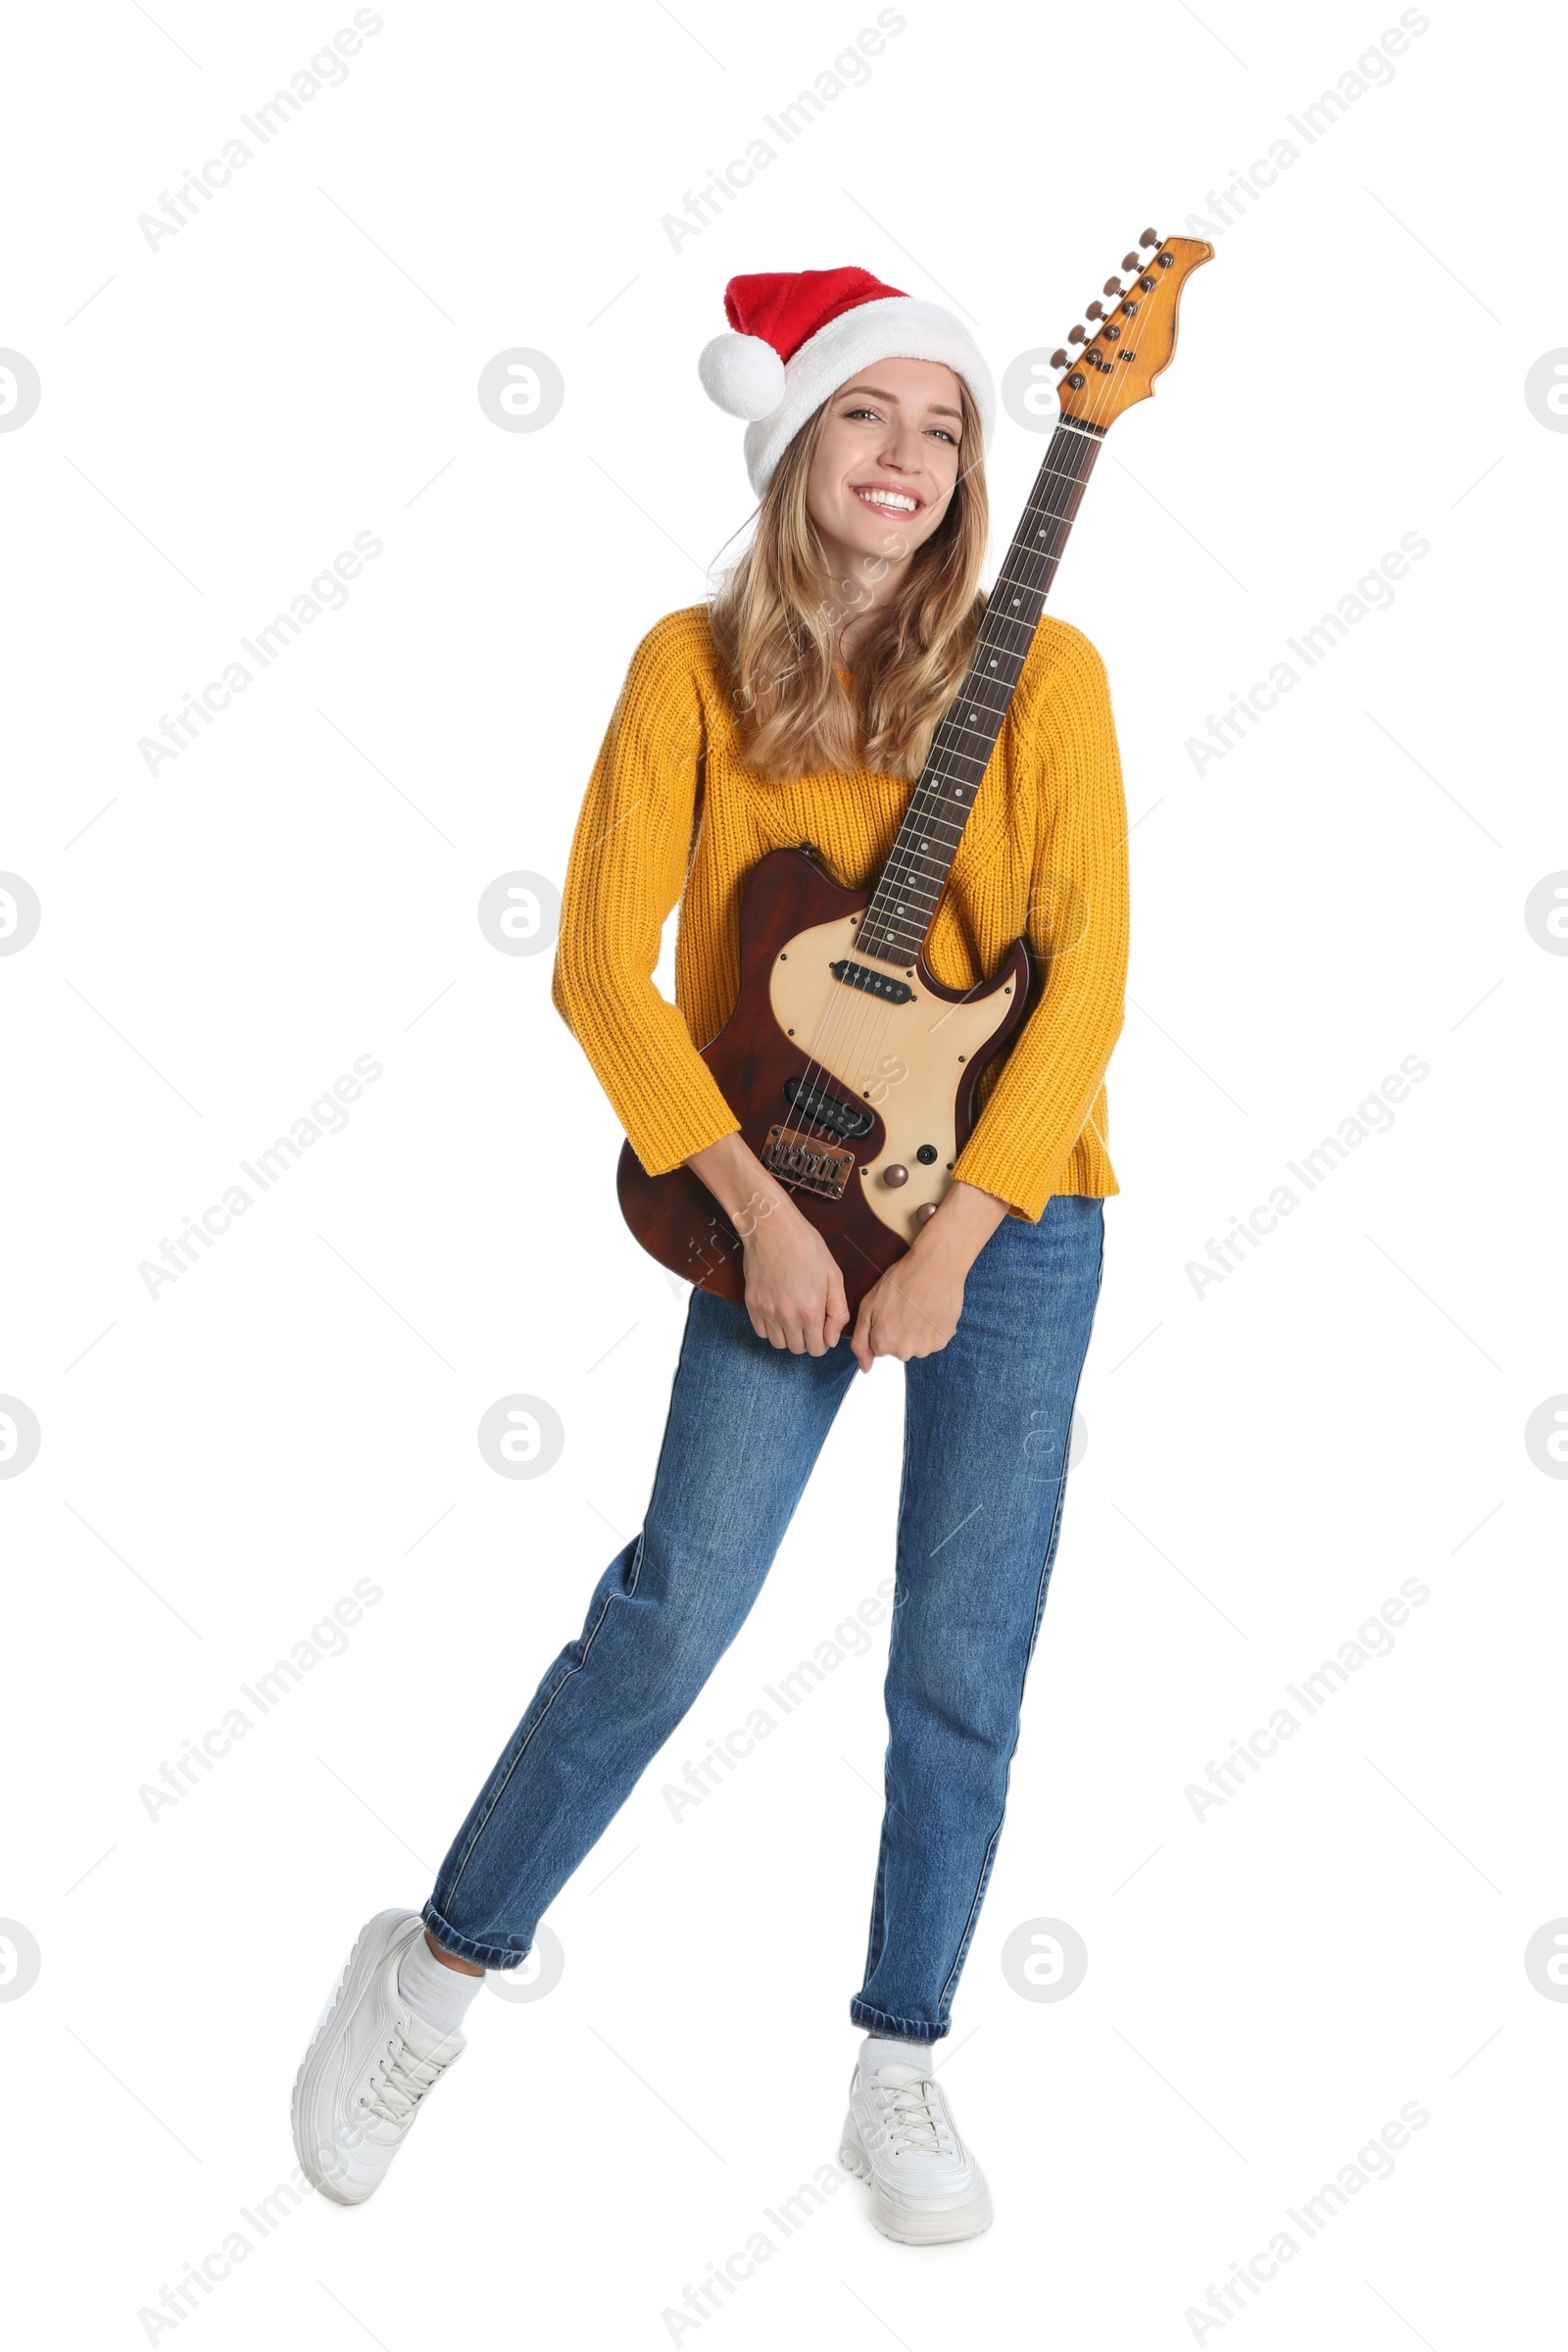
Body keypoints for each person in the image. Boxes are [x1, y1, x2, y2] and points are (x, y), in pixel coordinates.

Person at [292, 266, 1129, 2246]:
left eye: (942, 428)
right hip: (779, 1193)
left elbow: (1080, 976)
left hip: (1010, 1211)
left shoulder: (1046, 674)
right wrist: (758, 1216)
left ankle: (899, 2056)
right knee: (675, 1610)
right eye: (868, 417)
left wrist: (963, 1237)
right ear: (793, 442)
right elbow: (599, 965)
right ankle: (431, 1969)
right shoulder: (688, 669)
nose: (909, 459)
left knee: (961, 1654)